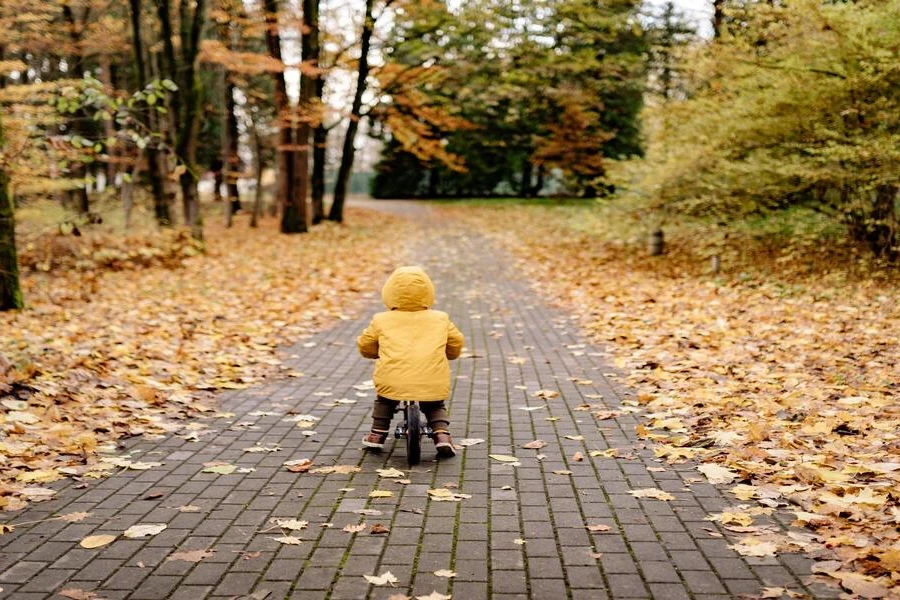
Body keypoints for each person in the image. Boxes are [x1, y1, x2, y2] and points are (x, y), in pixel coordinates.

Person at [357, 266, 464, 458]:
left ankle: (377, 434)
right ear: (428, 292)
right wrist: (449, 354)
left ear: (389, 292)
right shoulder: (440, 318)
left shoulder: (381, 319)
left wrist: (374, 353)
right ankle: (442, 436)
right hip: (431, 377)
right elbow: (456, 342)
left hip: (392, 377)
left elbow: (365, 343)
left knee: (385, 399)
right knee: (434, 404)